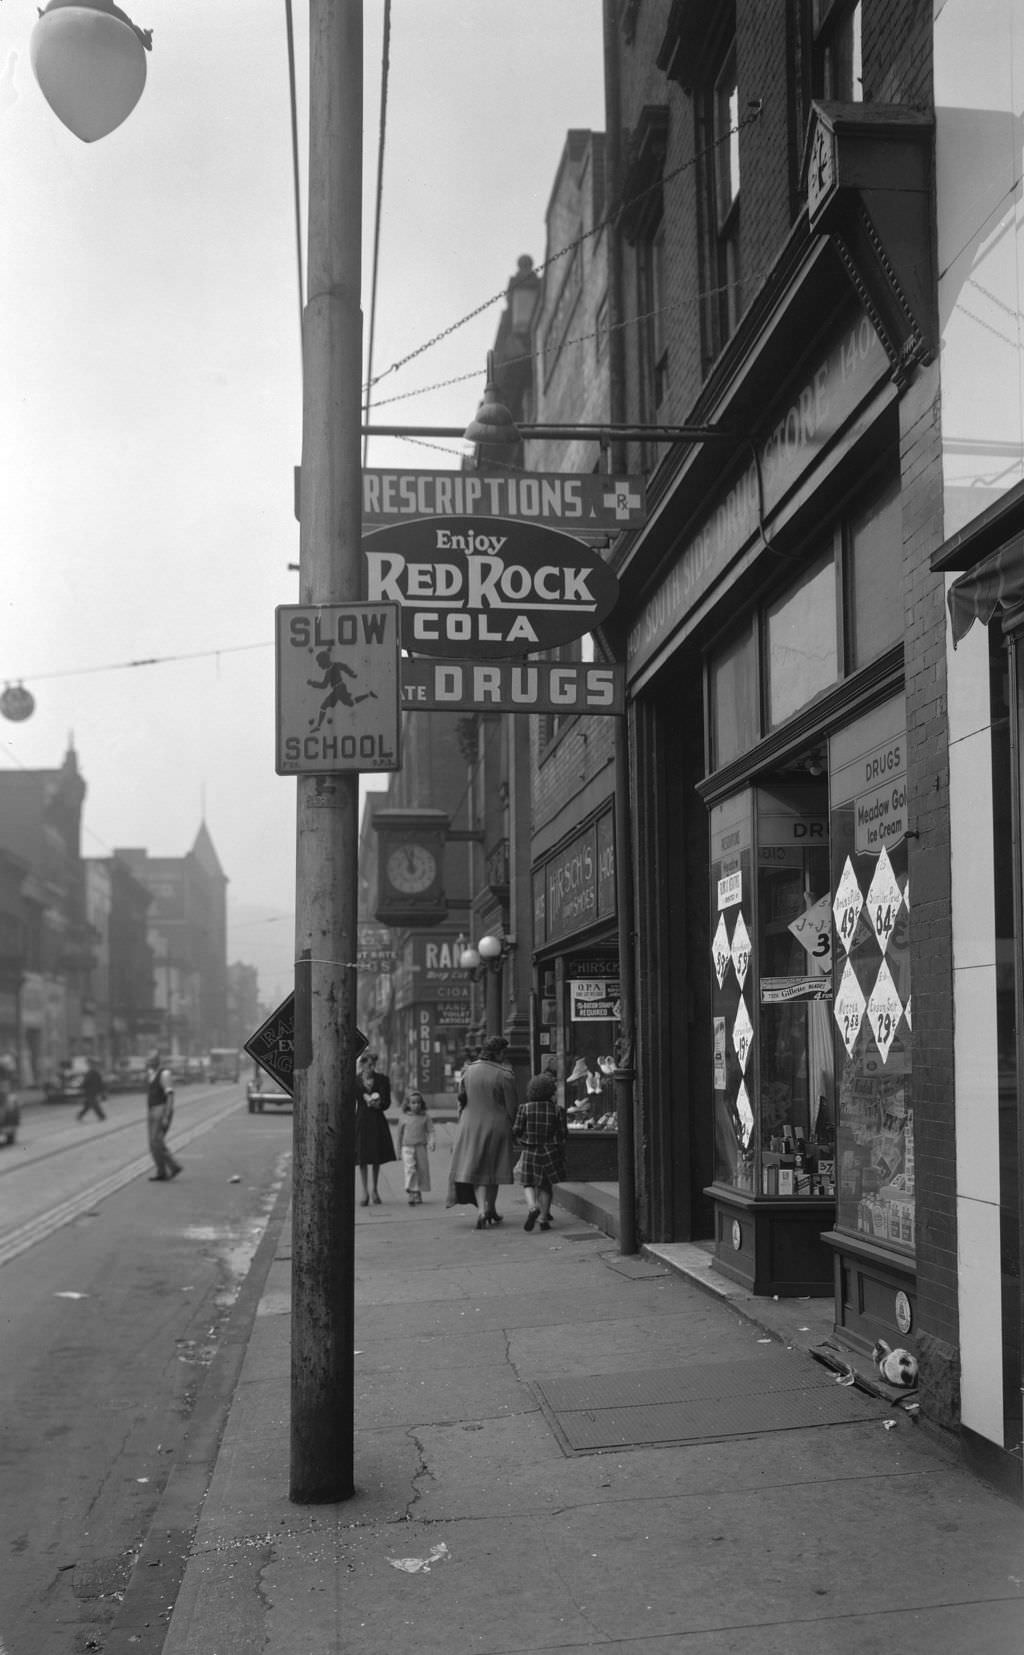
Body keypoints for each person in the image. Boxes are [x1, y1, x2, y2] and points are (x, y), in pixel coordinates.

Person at [448, 1034, 518, 1229]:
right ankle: (490, 1208)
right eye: (503, 1052)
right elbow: (512, 1106)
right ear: (497, 1053)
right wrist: (515, 1127)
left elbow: (461, 1100)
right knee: (493, 1170)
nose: (504, 1056)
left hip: (470, 1125)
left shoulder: (468, 1071)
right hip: (497, 1125)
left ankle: (482, 1211)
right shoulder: (505, 1074)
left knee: (478, 1169)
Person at [513, 1071, 567, 1232]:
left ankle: (532, 1207)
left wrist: (522, 1137)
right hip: (550, 1151)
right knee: (546, 1186)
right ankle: (543, 1218)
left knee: (528, 1182)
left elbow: (516, 1129)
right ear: (550, 1091)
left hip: (530, 1150)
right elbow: (563, 1133)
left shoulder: (525, 1108)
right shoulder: (557, 1110)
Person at [354, 1050, 396, 1205]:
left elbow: (387, 1102)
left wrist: (379, 1104)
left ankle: (375, 1190)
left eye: (373, 1064)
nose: (370, 1067)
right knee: (362, 1157)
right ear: (362, 1064)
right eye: (367, 1064)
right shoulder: (355, 1080)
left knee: (376, 1156)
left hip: (377, 1120)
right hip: (362, 1120)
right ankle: (364, 1191)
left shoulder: (382, 1080)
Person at [146, 1052, 182, 1182]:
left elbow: (170, 1095)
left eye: (150, 1061)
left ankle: (173, 1166)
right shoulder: (151, 1074)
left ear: (156, 1061)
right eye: (148, 1061)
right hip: (152, 1109)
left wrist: (167, 1114)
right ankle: (163, 1171)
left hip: (160, 1109)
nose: (148, 1063)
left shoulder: (164, 1074)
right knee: (153, 1143)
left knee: (156, 1141)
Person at [397, 1090, 436, 1205]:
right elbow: (399, 1135)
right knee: (410, 1169)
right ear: (408, 1104)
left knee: (421, 1171)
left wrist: (432, 1142)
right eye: (413, 1103)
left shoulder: (425, 1117)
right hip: (407, 1147)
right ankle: (410, 1191)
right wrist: (398, 1151)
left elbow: (431, 1131)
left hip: (421, 1147)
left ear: (422, 1103)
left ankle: (417, 1192)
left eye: (418, 1102)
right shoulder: (404, 1117)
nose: (416, 1105)